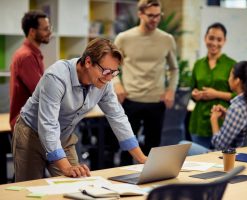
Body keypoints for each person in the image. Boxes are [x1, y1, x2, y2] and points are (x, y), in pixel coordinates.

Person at [12, 38, 147, 182]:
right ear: (88, 62)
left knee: (76, 184)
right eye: (106, 71)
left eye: (114, 73)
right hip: (32, 134)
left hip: (63, 136)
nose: (109, 78)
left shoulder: (104, 83)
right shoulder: (57, 77)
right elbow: (48, 124)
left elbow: (117, 117)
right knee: (29, 189)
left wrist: (142, 159)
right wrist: (66, 167)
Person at [113, 0, 179, 165]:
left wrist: (171, 90)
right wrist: (117, 84)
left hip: (156, 102)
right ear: (140, 14)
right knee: (126, 149)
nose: (155, 19)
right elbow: (110, 65)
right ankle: (123, 184)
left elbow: (174, 69)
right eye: (150, 15)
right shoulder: (124, 38)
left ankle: (150, 184)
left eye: (158, 15)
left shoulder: (167, 39)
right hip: (130, 100)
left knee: (153, 149)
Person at [187, 61, 247, 155]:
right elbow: (243, 126)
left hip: (227, 157)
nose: (228, 79)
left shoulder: (237, 108)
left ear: (237, 81)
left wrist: (214, 119)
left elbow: (219, 146)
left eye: (230, 76)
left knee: (183, 145)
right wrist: (227, 115)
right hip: (245, 154)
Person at [189, 22, 236, 149]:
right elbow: (192, 90)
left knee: (222, 162)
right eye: (211, 38)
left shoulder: (231, 65)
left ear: (224, 41)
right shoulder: (198, 64)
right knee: (199, 164)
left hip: (222, 122)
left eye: (219, 39)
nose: (214, 43)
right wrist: (195, 95)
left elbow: (239, 96)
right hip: (199, 123)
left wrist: (216, 94)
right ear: (205, 38)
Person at [9, 10, 51, 132]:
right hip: (26, 125)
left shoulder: (32, 54)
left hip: (31, 122)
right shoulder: (26, 56)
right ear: (32, 32)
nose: (49, 32)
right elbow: (41, 92)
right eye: (45, 29)